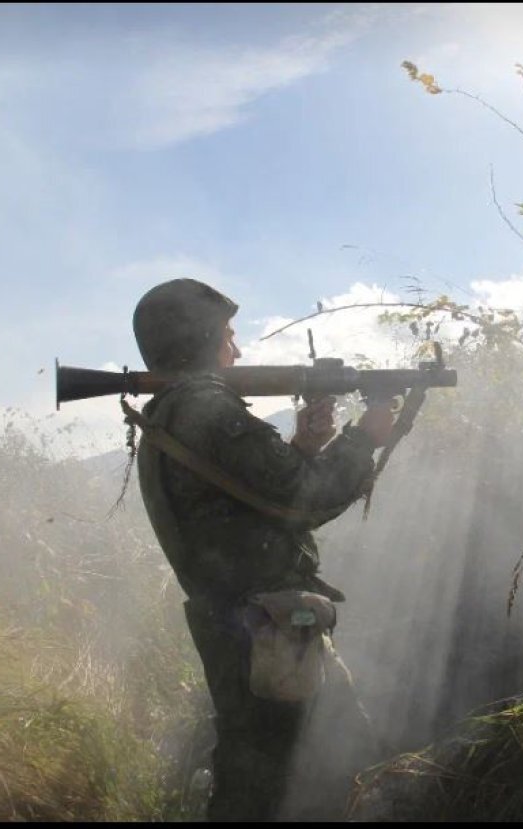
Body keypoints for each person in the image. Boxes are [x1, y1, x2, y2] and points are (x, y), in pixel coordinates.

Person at [131, 278, 394, 821]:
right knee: (273, 777)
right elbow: (302, 501)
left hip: (251, 623)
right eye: (229, 336)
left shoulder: (174, 412)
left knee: (266, 767)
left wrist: (302, 446)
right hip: (261, 629)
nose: (239, 349)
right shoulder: (205, 409)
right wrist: (363, 438)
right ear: (202, 337)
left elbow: (249, 500)